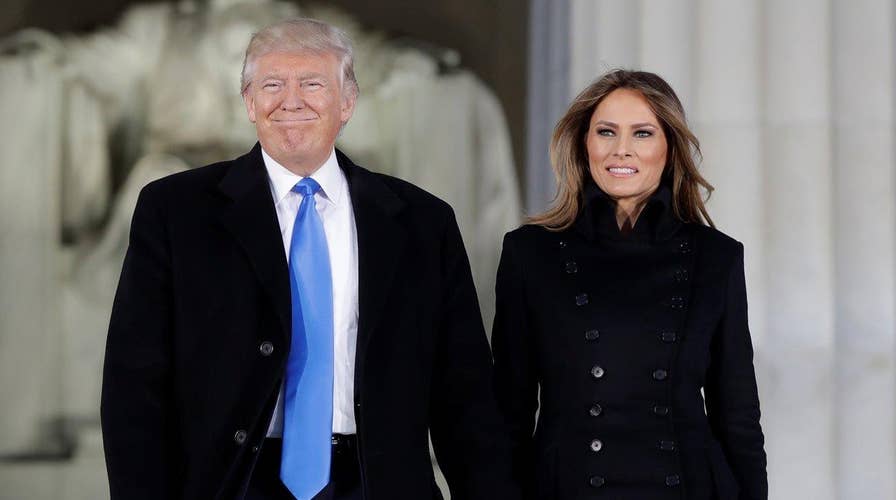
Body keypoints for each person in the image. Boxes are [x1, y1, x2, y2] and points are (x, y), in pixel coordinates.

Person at [101, 18, 517, 500]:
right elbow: (134, 387)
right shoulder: (175, 211)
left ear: (348, 102)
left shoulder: (423, 223)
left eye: (312, 84)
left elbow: (464, 395)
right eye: (272, 84)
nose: (291, 100)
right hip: (233, 484)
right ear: (250, 102)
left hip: (377, 483)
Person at [492, 70, 767, 499]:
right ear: (584, 144)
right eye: (606, 132)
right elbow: (509, 413)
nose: (622, 150)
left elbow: (739, 417)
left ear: (669, 148)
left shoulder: (717, 257)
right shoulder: (531, 254)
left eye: (642, 133)